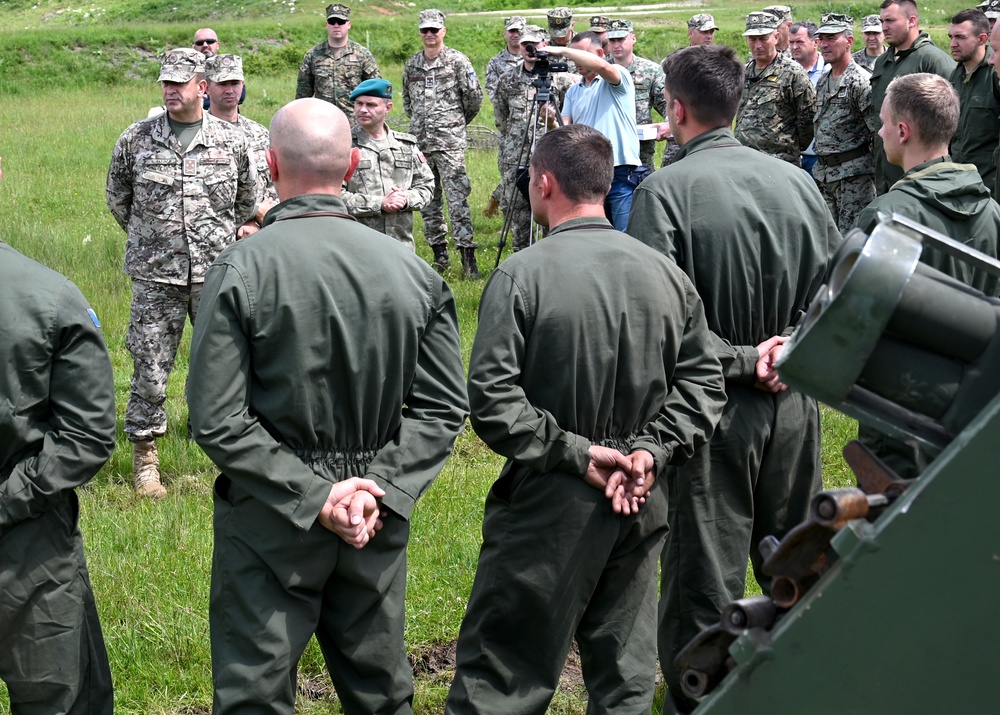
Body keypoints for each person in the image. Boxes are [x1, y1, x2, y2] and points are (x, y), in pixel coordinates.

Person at [188, 97, 469, 715]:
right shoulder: (414, 272)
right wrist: (379, 487)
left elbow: (217, 417)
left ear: (269, 165)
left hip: (271, 510)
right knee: (380, 688)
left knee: (255, 694)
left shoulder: (241, 268)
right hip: (374, 507)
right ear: (351, 167)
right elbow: (445, 407)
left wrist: (315, 497)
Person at [444, 123, 726, 715]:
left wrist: (577, 454)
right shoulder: (666, 276)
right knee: (625, 671)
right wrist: (651, 450)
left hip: (553, 498)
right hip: (641, 494)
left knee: (505, 672)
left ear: (543, 183)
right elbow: (704, 380)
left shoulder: (522, 274)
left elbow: (493, 401)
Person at [626, 44, 840, 715]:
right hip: (795, 403)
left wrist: (749, 360)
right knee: (800, 569)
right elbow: (839, 294)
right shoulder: (797, 182)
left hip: (711, 414)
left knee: (703, 586)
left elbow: (660, 332)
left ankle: (704, 705)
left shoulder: (664, 190)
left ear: (676, 109)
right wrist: (791, 353)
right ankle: (806, 690)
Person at [106, 48, 257, 498]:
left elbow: (247, 202)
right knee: (150, 370)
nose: (170, 91)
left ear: (202, 87)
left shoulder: (232, 142)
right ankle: (146, 459)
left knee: (225, 368)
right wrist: (156, 240)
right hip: (156, 277)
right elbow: (119, 199)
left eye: (179, 83)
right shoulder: (136, 139)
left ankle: (232, 453)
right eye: (165, 84)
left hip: (216, 274)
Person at [1, 160, 116, 714]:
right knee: (58, 696)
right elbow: (87, 437)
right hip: (28, 539)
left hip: (28, 530)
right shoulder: (51, 298)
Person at [855, 73, 1000, 480]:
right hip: (974, 412)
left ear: (903, 131)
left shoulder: (887, 215)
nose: (880, 131)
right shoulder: (991, 212)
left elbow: (853, 321)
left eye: (883, 122)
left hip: (897, 415)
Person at [402, 9, 483, 277]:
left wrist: (454, 123)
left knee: (458, 202)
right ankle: (440, 258)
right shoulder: (412, 64)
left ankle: (468, 262)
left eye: (434, 30)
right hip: (421, 145)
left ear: (443, 32)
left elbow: (473, 100)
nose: (429, 35)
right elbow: (408, 103)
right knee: (428, 203)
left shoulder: (458, 62)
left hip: (450, 144)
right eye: (425, 30)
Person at [493, 25, 576, 251]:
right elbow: (501, 118)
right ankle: (520, 262)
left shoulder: (562, 79)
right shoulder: (508, 80)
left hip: (553, 157)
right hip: (515, 158)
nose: (530, 49)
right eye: (525, 44)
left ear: (545, 45)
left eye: (536, 44)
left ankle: (554, 259)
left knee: (554, 210)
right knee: (519, 216)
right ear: (519, 47)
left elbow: (574, 118)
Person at [548, 31, 642, 231]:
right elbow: (565, 130)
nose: (575, 60)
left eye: (580, 54)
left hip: (620, 170)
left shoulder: (617, 75)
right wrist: (549, 122)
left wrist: (562, 50)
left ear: (599, 53)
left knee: (625, 236)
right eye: (573, 55)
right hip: (589, 173)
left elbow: (602, 67)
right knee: (595, 233)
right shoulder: (574, 91)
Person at [868, 0, 953, 195]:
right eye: (882, 21)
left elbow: (952, 117)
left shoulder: (933, 60)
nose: (884, 27)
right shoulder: (884, 61)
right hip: (885, 168)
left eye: (890, 20)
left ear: (911, 21)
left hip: (920, 173)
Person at [343, 78, 434, 249]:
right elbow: (334, 196)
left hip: (400, 246)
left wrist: (405, 199)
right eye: (359, 104)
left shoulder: (406, 146)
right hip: (358, 247)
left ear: (388, 108)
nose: (363, 109)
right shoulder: (343, 146)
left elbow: (426, 186)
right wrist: (380, 203)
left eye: (371, 105)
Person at [814, 13, 876, 233]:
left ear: (849, 41)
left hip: (853, 179)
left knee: (851, 242)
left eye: (831, 38)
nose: (824, 44)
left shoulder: (861, 82)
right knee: (828, 242)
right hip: (824, 175)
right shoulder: (823, 80)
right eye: (821, 38)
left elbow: (876, 133)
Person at [206, 53, 278, 235]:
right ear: (206, 87)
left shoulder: (260, 133)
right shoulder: (198, 134)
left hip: (261, 231)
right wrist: (250, 214)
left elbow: (275, 179)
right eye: (222, 84)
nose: (229, 90)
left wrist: (258, 219)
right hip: (214, 235)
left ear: (243, 85)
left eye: (235, 83)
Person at [735, 12, 816, 166]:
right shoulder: (743, 73)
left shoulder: (792, 73)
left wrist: (789, 148)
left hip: (779, 162)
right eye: (752, 39)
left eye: (763, 38)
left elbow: (808, 120)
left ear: (776, 37)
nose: (758, 45)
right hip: (744, 161)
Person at [295, 3, 380, 121]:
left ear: (349, 25)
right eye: (332, 22)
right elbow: (302, 96)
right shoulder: (313, 55)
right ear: (326, 25)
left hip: (354, 124)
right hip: (322, 122)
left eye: (341, 22)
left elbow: (375, 91)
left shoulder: (362, 55)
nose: (336, 25)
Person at [948, 8, 1000, 193]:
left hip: (989, 186)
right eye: (951, 37)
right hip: (958, 184)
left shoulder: (995, 74)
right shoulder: (954, 77)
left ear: (982, 39)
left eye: (960, 37)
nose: (953, 43)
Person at [608, 19, 668, 172]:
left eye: (621, 39)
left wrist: (668, 124)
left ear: (633, 38)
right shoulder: (600, 70)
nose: (616, 45)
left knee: (643, 191)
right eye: (612, 40)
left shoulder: (651, 70)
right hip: (607, 149)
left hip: (640, 150)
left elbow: (667, 104)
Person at [483, 15, 526, 219]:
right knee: (509, 172)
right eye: (512, 31)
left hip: (537, 124)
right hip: (511, 125)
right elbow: (495, 95)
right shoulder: (496, 63)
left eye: (519, 31)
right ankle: (506, 209)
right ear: (505, 34)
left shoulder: (536, 58)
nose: (515, 34)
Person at [789, 20, 825, 173]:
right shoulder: (784, 72)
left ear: (815, 42)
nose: (794, 47)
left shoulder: (829, 71)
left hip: (820, 157)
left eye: (799, 42)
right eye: (791, 42)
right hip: (790, 157)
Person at [194, 27, 246, 108]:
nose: (205, 45)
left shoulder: (228, 64)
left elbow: (241, 96)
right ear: (194, 47)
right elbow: (187, 100)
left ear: (217, 45)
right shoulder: (190, 70)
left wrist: (203, 99)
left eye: (210, 41)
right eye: (200, 43)